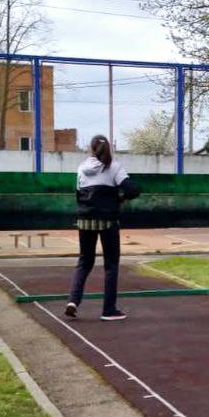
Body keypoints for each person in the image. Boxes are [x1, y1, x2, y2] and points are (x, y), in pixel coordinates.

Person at [64, 135, 141, 321]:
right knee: (111, 264)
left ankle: (73, 301)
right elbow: (133, 190)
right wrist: (120, 199)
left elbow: (78, 194)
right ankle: (109, 310)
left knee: (84, 262)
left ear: (91, 149)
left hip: (84, 220)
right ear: (108, 149)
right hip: (108, 221)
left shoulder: (81, 168)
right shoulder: (114, 167)